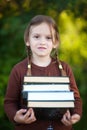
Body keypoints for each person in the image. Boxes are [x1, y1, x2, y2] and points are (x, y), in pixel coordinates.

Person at [4, 15, 82, 130]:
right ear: (27, 40)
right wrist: (16, 117)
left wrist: (75, 115)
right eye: (36, 37)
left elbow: (76, 99)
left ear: (55, 42)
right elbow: (10, 102)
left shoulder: (65, 69)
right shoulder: (18, 70)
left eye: (48, 38)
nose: (42, 42)